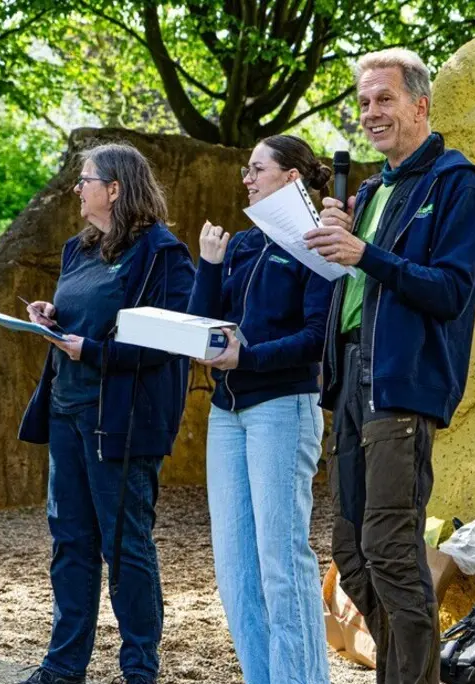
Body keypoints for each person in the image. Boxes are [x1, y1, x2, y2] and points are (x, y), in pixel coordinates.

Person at [304, 48, 475, 684]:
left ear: (420, 105)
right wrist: (336, 246)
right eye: (363, 102)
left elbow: (450, 290)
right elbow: (354, 284)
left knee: (389, 546)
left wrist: (365, 253)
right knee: (353, 553)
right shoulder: (368, 192)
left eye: (384, 98)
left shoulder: (457, 183)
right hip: (350, 379)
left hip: (401, 382)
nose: (371, 113)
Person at [17, 143, 195, 684]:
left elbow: (170, 343)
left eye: (86, 179)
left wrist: (92, 350)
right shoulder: (78, 249)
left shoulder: (162, 254)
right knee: (70, 542)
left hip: (120, 421)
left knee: (125, 546)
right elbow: (84, 316)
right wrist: (52, 316)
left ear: (115, 189)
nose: (77, 188)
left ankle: (139, 669)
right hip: (67, 412)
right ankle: (63, 665)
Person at [186, 135, 334, 683]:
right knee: (235, 568)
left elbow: (317, 339)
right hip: (227, 412)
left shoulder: (317, 241)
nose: (246, 178)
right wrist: (209, 265)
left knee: (281, 564)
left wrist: (245, 358)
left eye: (257, 169)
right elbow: (203, 327)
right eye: (246, 170)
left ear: (291, 177)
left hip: (282, 407)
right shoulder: (245, 243)